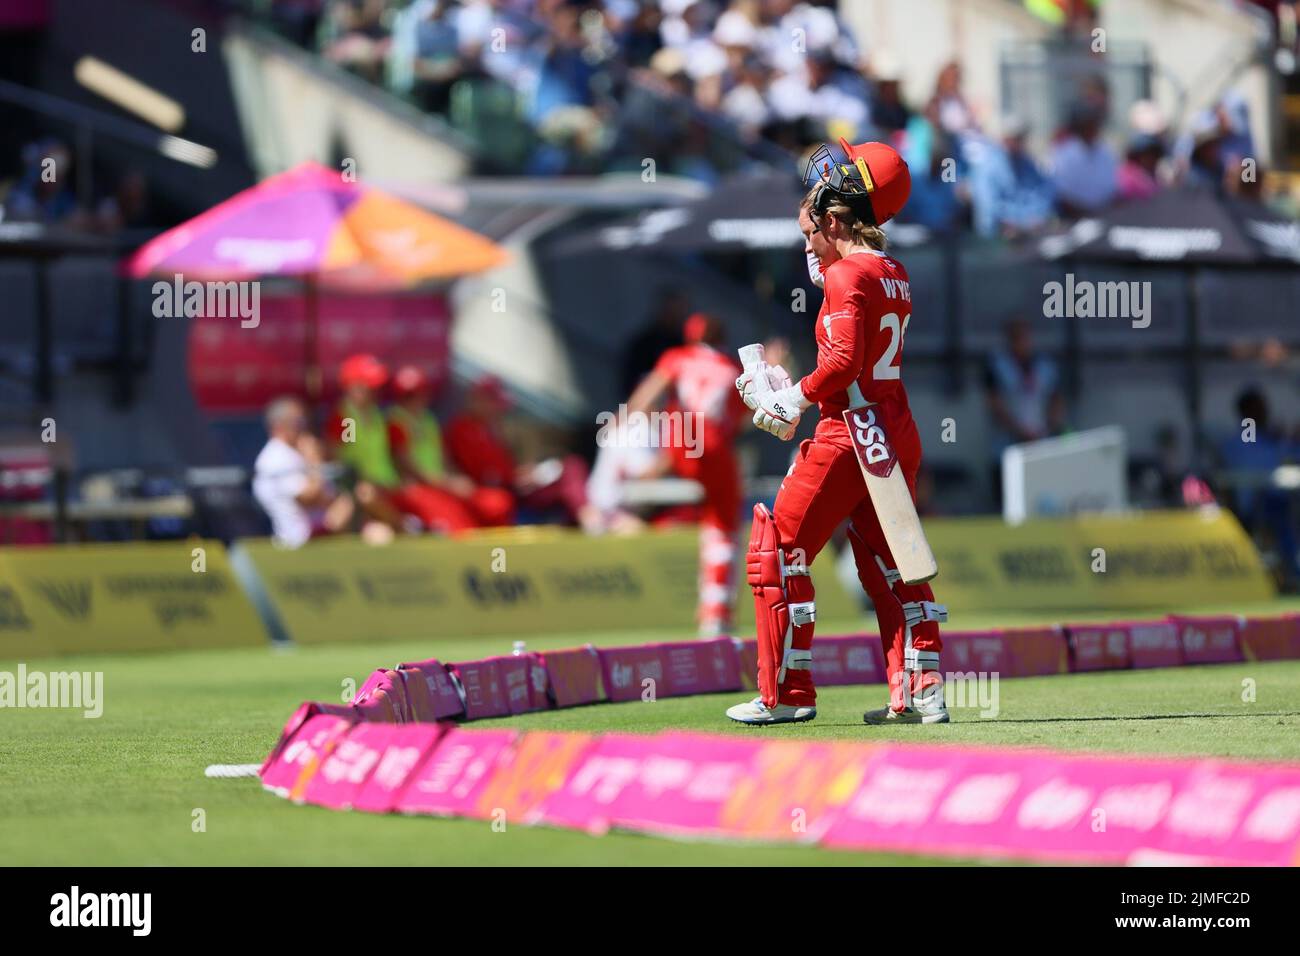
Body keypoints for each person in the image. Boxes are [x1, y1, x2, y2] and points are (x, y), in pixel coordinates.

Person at [725, 138, 949, 726]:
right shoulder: (892, 269)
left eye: (808, 232)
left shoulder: (847, 273)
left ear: (833, 219)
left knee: (777, 550)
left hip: (848, 433)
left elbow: (846, 360)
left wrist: (791, 397)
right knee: (891, 566)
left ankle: (786, 695)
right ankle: (921, 693)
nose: (805, 245)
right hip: (892, 430)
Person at [624, 312, 748, 636]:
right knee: (723, 526)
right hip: (714, 444)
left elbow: (643, 399)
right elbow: (742, 420)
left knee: (707, 516)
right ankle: (716, 609)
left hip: (682, 437)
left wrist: (644, 423)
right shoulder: (731, 369)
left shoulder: (677, 358)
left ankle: (713, 608)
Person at [327, 353, 478, 534]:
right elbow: (340, 458)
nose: (375, 391)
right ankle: (405, 527)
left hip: (390, 485)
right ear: (351, 386)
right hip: (369, 490)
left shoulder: (376, 415)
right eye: (368, 386)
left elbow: (388, 455)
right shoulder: (347, 420)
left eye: (375, 386)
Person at [444, 375, 603, 531]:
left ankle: (587, 517)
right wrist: (518, 477)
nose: (499, 411)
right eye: (494, 404)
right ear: (478, 400)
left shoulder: (492, 429)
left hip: (514, 488)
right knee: (567, 471)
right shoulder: (464, 430)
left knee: (570, 467)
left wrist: (527, 473)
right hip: (497, 493)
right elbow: (487, 475)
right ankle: (590, 521)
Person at [253, 395, 395, 547]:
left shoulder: (294, 452)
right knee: (363, 493)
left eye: (305, 422)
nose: (304, 428)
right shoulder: (275, 458)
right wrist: (314, 460)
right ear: (279, 426)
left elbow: (326, 498)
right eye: (298, 423)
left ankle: (405, 527)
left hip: (326, 526)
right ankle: (406, 526)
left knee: (378, 530)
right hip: (303, 538)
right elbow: (310, 497)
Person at [386, 364, 515, 527]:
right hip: (417, 488)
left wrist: (453, 479)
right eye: (408, 395)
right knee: (459, 526)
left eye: (420, 393)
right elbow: (405, 465)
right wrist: (447, 483)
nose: (417, 399)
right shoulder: (396, 422)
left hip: (439, 485)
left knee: (497, 505)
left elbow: (444, 458)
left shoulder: (427, 420)